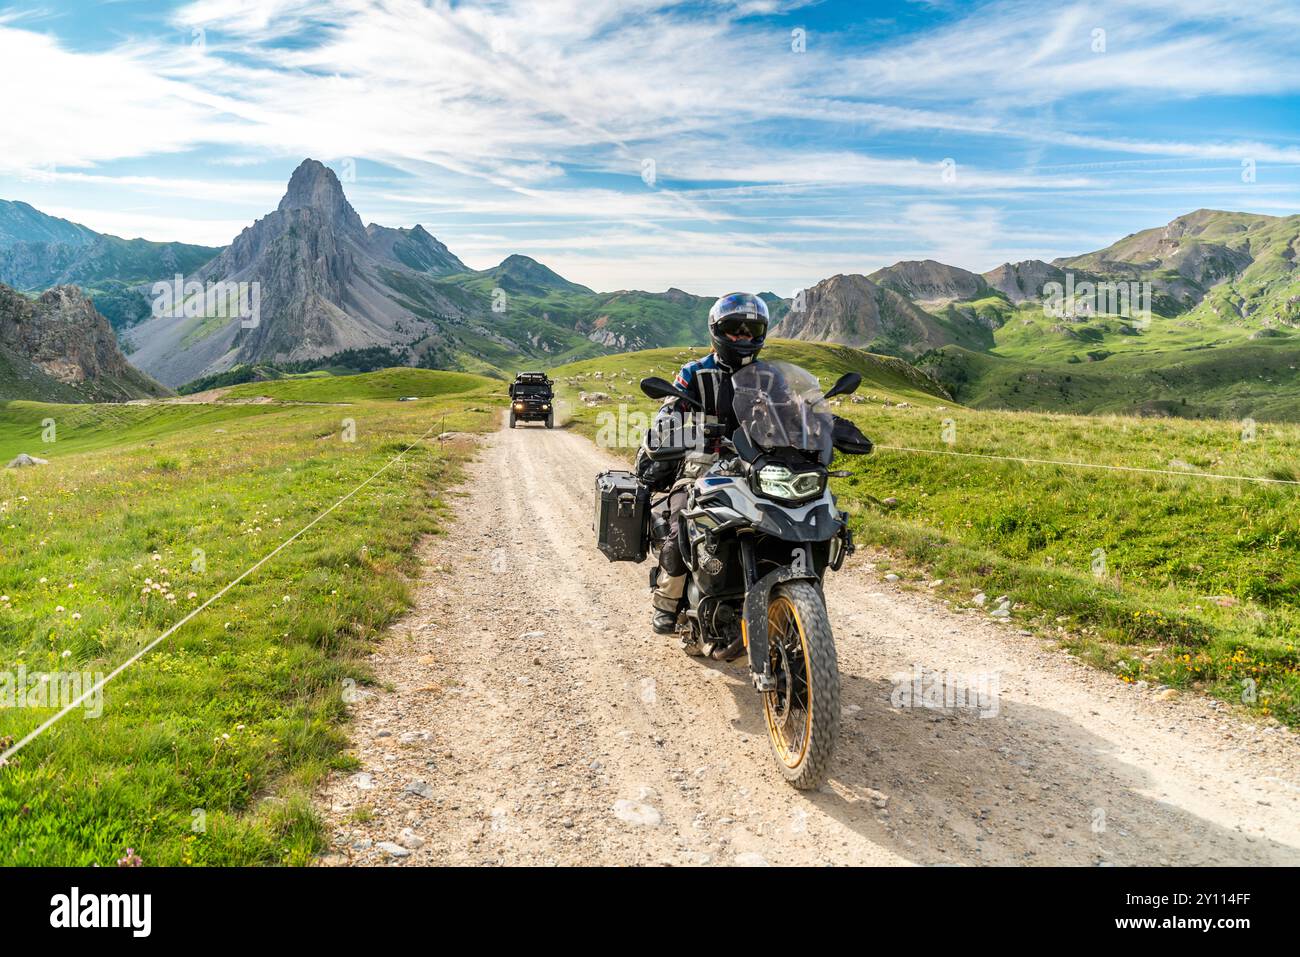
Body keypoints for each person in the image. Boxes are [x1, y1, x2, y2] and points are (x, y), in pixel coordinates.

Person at [634, 292, 769, 634]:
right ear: (717, 331)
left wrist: (817, 426)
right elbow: (668, 411)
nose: (743, 337)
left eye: (751, 330)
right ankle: (666, 601)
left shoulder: (768, 377)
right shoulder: (695, 371)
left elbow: (792, 415)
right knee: (684, 523)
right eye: (734, 329)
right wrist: (674, 427)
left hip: (757, 467)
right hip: (701, 466)